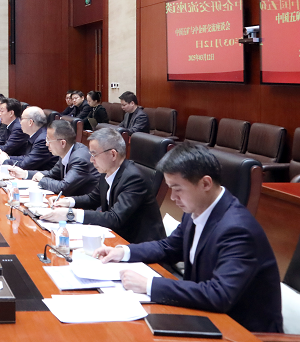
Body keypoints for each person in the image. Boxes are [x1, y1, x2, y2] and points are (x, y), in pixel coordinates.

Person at [94, 143, 283, 333]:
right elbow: (169, 247)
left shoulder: (237, 229)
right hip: (204, 317)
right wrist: (123, 252)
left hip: (241, 331)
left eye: (178, 189)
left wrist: (149, 285)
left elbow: (220, 294)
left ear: (205, 184)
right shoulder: (197, 210)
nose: (173, 197)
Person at [39, 128, 165, 244]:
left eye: (94, 154)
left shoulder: (134, 178)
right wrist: (68, 202)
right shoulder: (107, 171)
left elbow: (114, 218)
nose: (91, 160)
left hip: (139, 245)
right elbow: (93, 198)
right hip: (116, 237)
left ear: (113, 154)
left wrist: (71, 214)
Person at [28, 120, 99, 196]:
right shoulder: (66, 152)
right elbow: (51, 174)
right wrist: (25, 174)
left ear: (62, 143)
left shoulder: (79, 159)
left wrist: (42, 180)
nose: (46, 144)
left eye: (49, 140)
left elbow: (63, 188)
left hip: (84, 202)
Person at [0, 107, 59, 175]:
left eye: (22, 119)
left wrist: (5, 160)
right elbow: (27, 157)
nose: (19, 122)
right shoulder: (37, 134)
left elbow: (25, 165)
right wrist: (8, 157)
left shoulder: (43, 140)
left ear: (30, 122)